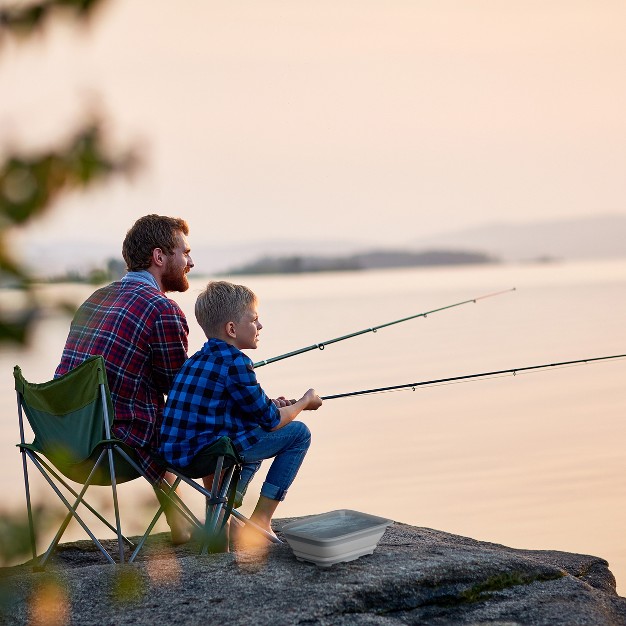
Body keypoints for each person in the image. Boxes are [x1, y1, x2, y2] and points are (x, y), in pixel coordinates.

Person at [55, 214, 195, 544]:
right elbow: (178, 394)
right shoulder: (162, 309)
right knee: (194, 416)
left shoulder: (95, 298)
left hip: (64, 441)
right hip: (112, 450)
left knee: (142, 412)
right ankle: (221, 527)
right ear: (160, 257)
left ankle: (180, 524)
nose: (191, 261)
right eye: (185, 253)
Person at [159, 280, 322, 545]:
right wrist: (304, 401)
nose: (260, 326)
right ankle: (260, 520)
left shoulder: (195, 360)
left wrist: (272, 403)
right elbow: (270, 420)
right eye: (254, 320)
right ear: (232, 329)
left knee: (250, 429)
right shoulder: (236, 362)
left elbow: (235, 406)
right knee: (298, 434)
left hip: (175, 457)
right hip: (209, 455)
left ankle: (225, 516)